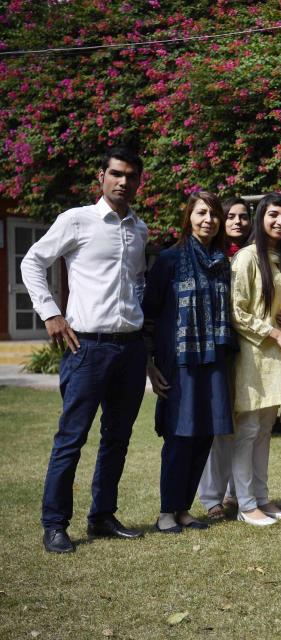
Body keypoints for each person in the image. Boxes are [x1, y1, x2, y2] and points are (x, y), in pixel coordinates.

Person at [21, 147, 149, 553]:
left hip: (129, 349)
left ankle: (102, 516)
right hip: (87, 348)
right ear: (101, 177)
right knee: (71, 438)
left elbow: (137, 283)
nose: (123, 182)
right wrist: (51, 314)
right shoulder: (77, 220)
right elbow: (32, 261)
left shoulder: (140, 229)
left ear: (138, 182)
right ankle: (55, 524)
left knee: (118, 437)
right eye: (116, 174)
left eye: (130, 176)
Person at [143, 191, 234, 533]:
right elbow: (148, 316)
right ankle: (167, 510)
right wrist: (150, 364)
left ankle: (183, 508)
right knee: (180, 436)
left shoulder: (222, 262)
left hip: (215, 360)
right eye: (201, 213)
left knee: (205, 435)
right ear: (188, 217)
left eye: (213, 214)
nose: (208, 220)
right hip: (180, 361)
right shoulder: (169, 259)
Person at [230, 193, 281, 527]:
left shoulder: (280, 260)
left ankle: (261, 497)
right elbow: (237, 311)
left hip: (275, 357)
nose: (280, 222)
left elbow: (273, 309)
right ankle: (245, 504)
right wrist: (275, 333)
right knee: (249, 429)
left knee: (266, 427)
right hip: (252, 356)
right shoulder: (246, 258)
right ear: (261, 218)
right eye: (273, 215)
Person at [198, 195, 251, 520]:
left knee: (243, 424)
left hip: (248, 349)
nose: (237, 222)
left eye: (243, 216)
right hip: (217, 348)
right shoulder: (211, 256)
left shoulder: (256, 255)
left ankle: (237, 493)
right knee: (218, 426)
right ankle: (211, 497)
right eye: (231, 216)